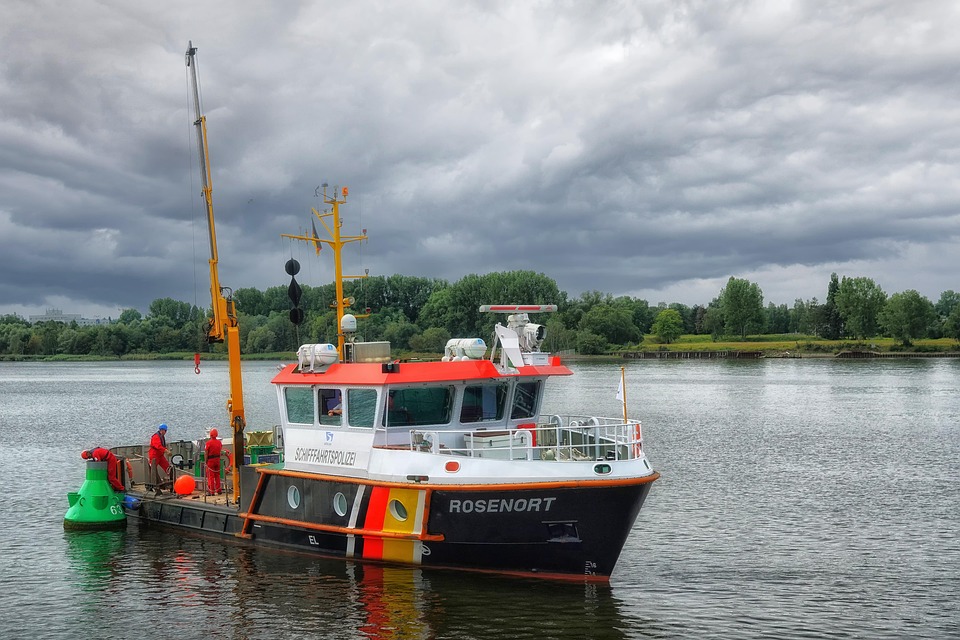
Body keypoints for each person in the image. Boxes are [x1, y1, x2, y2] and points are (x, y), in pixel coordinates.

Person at [149, 423, 172, 492]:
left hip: (160, 455)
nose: (164, 432)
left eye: (164, 430)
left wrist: (165, 450)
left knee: (168, 467)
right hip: (154, 455)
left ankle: (172, 482)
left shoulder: (161, 436)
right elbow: (158, 446)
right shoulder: (156, 437)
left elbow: (162, 446)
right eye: (163, 430)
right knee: (152, 470)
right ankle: (152, 485)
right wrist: (166, 451)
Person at [204, 428, 223, 495]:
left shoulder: (208, 443)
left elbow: (206, 453)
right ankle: (218, 490)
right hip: (217, 460)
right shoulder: (219, 442)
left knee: (211, 476)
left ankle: (211, 491)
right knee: (217, 475)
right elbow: (220, 450)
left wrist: (205, 461)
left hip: (210, 461)